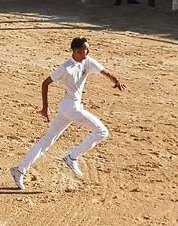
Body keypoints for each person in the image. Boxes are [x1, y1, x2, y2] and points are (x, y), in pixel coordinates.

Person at [11, 37, 126, 190]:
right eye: (86, 49)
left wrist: (115, 81)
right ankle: (72, 156)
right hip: (71, 108)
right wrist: (45, 107)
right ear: (76, 51)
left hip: (68, 108)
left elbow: (104, 71)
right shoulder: (65, 68)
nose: (88, 51)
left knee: (46, 141)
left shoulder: (88, 61)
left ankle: (19, 170)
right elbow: (45, 83)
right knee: (102, 131)